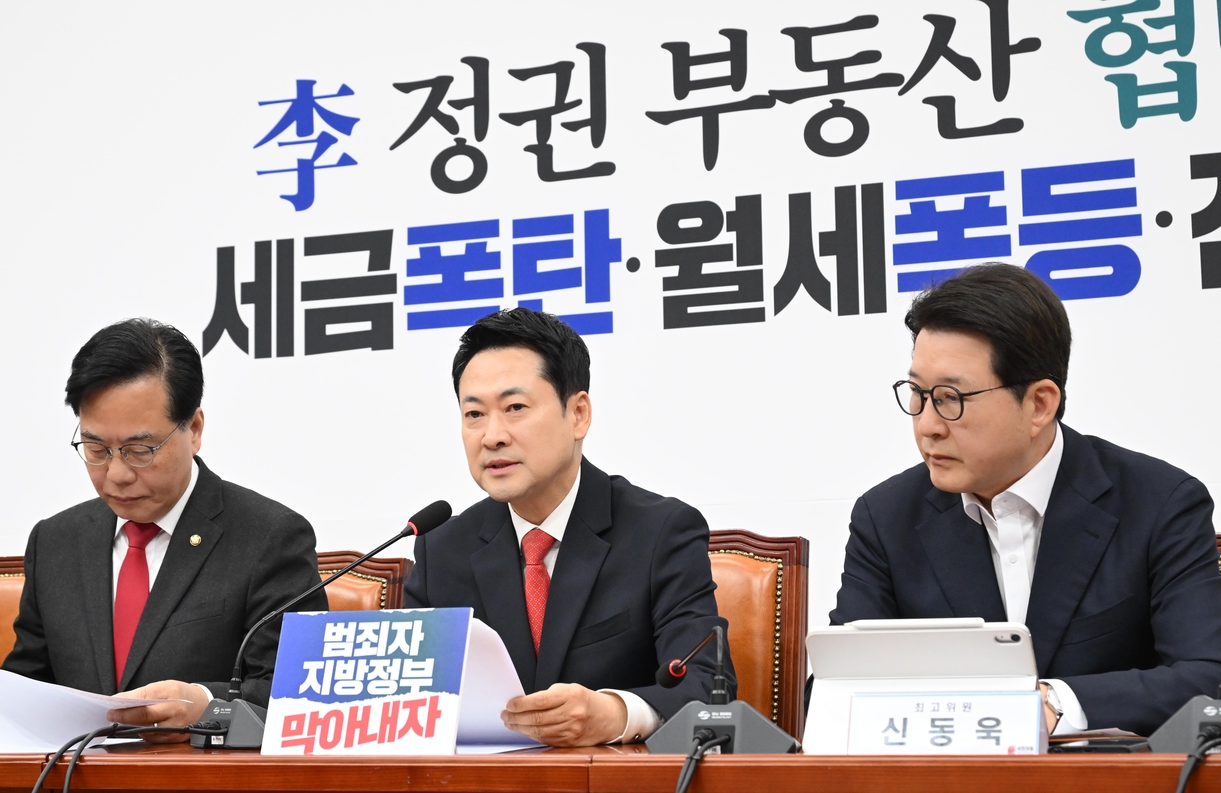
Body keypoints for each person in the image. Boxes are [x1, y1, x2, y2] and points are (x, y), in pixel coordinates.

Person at [829, 263, 1221, 737]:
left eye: (950, 397)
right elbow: (836, 691)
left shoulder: (1159, 503)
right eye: (918, 393)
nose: (927, 425)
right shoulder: (885, 518)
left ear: (1039, 404)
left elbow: (1205, 677)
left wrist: (1051, 703)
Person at [405, 308, 735, 747]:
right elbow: (407, 702)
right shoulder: (440, 551)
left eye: (515, 408)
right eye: (474, 414)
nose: (492, 436)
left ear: (578, 414)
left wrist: (617, 713)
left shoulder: (660, 532)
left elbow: (707, 686)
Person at [1, 318, 326, 739]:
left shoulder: (270, 537)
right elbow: (25, 691)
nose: (116, 474)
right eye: (96, 449)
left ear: (194, 429)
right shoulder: (55, 542)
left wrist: (207, 706)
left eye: (139, 450)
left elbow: (299, 702)